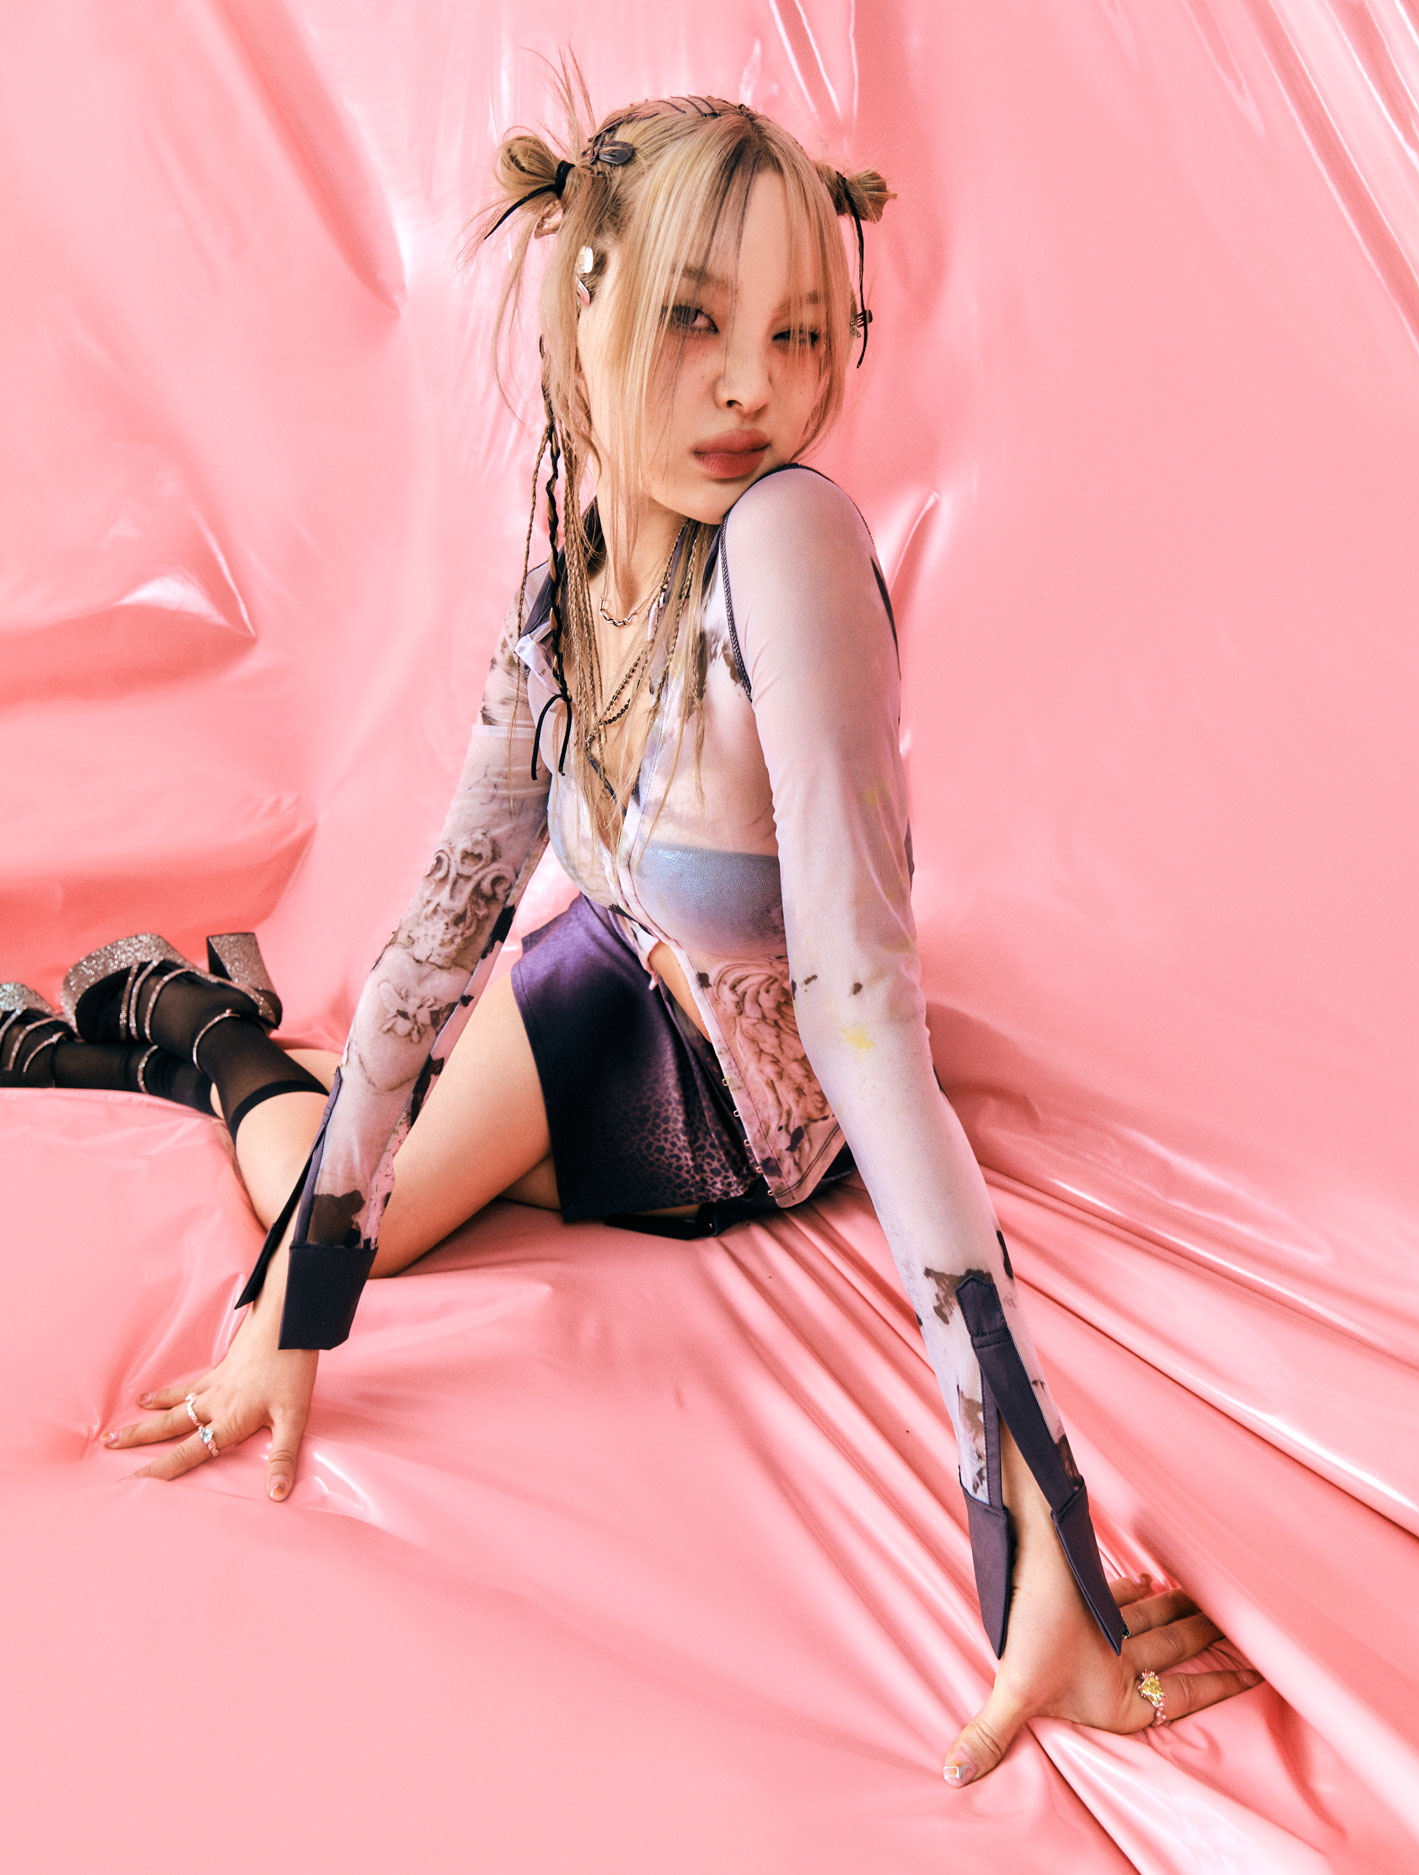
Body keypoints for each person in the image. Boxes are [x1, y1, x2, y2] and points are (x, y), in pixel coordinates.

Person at [0, 85, 1259, 1785]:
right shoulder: (562, 606)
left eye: (799, 332)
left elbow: (863, 1002)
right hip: (606, 1009)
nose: (753, 387)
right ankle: (193, 1031)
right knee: (368, 1217)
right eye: (693, 319)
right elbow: (439, 937)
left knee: (374, 1197)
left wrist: (1035, 1520)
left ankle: (184, 1028)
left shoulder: (789, 542)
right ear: (582, 308)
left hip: (747, 1108)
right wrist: (288, 1317)